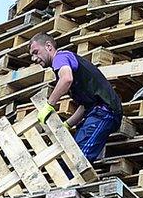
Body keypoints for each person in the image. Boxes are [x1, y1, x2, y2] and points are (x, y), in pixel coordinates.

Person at [29, 32, 123, 162]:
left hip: (104, 112)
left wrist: (49, 105)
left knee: (78, 160)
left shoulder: (60, 58)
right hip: (98, 111)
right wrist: (67, 124)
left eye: (36, 52)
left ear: (49, 46)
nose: (34, 58)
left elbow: (66, 79)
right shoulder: (64, 64)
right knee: (71, 155)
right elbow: (86, 105)